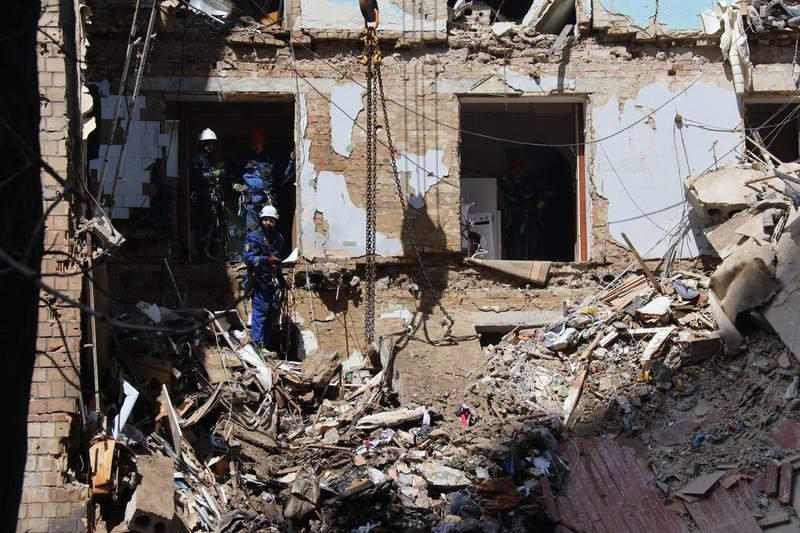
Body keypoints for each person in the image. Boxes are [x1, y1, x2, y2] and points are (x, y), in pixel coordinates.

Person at [243, 205, 285, 354]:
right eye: (266, 219)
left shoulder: (278, 238)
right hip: (258, 280)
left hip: (272, 282)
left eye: (271, 220)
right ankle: (257, 345)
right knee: (261, 312)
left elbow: (277, 260)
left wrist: (281, 279)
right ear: (261, 220)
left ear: (275, 221)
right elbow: (248, 259)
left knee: (272, 313)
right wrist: (266, 259)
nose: (268, 223)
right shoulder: (254, 237)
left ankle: (264, 347)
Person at [190, 128, 227, 261]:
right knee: (203, 225)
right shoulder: (196, 160)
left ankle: (214, 254)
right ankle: (202, 255)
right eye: (207, 143)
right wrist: (212, 174)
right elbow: (197, 175)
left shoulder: (209, 160)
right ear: (201, 144)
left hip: (213, 198)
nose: (210, 146)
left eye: (212, 144)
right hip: (202, 197)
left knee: (217, 225)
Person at [233, 128, 276, 231]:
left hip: (267, 201)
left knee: (268, 231)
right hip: (252, 202)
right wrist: (234, 185)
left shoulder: (269, 160)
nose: (256, 146)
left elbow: (281, 176)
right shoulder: (243, 160)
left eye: (259, 143)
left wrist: (291, 163)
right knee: (253, 232)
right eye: (254, 144)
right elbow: (231, 175)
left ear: (263, 144)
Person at [498, 158, 536, 259]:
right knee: (516, 245)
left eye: (520, 169)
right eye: (515, 169)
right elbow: (510, 198)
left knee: (531, 244)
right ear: (511, 171)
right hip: (514, 220)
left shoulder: (528, 183)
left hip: (529, 219)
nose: (517, 172)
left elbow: (529, 198)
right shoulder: (506, 184)